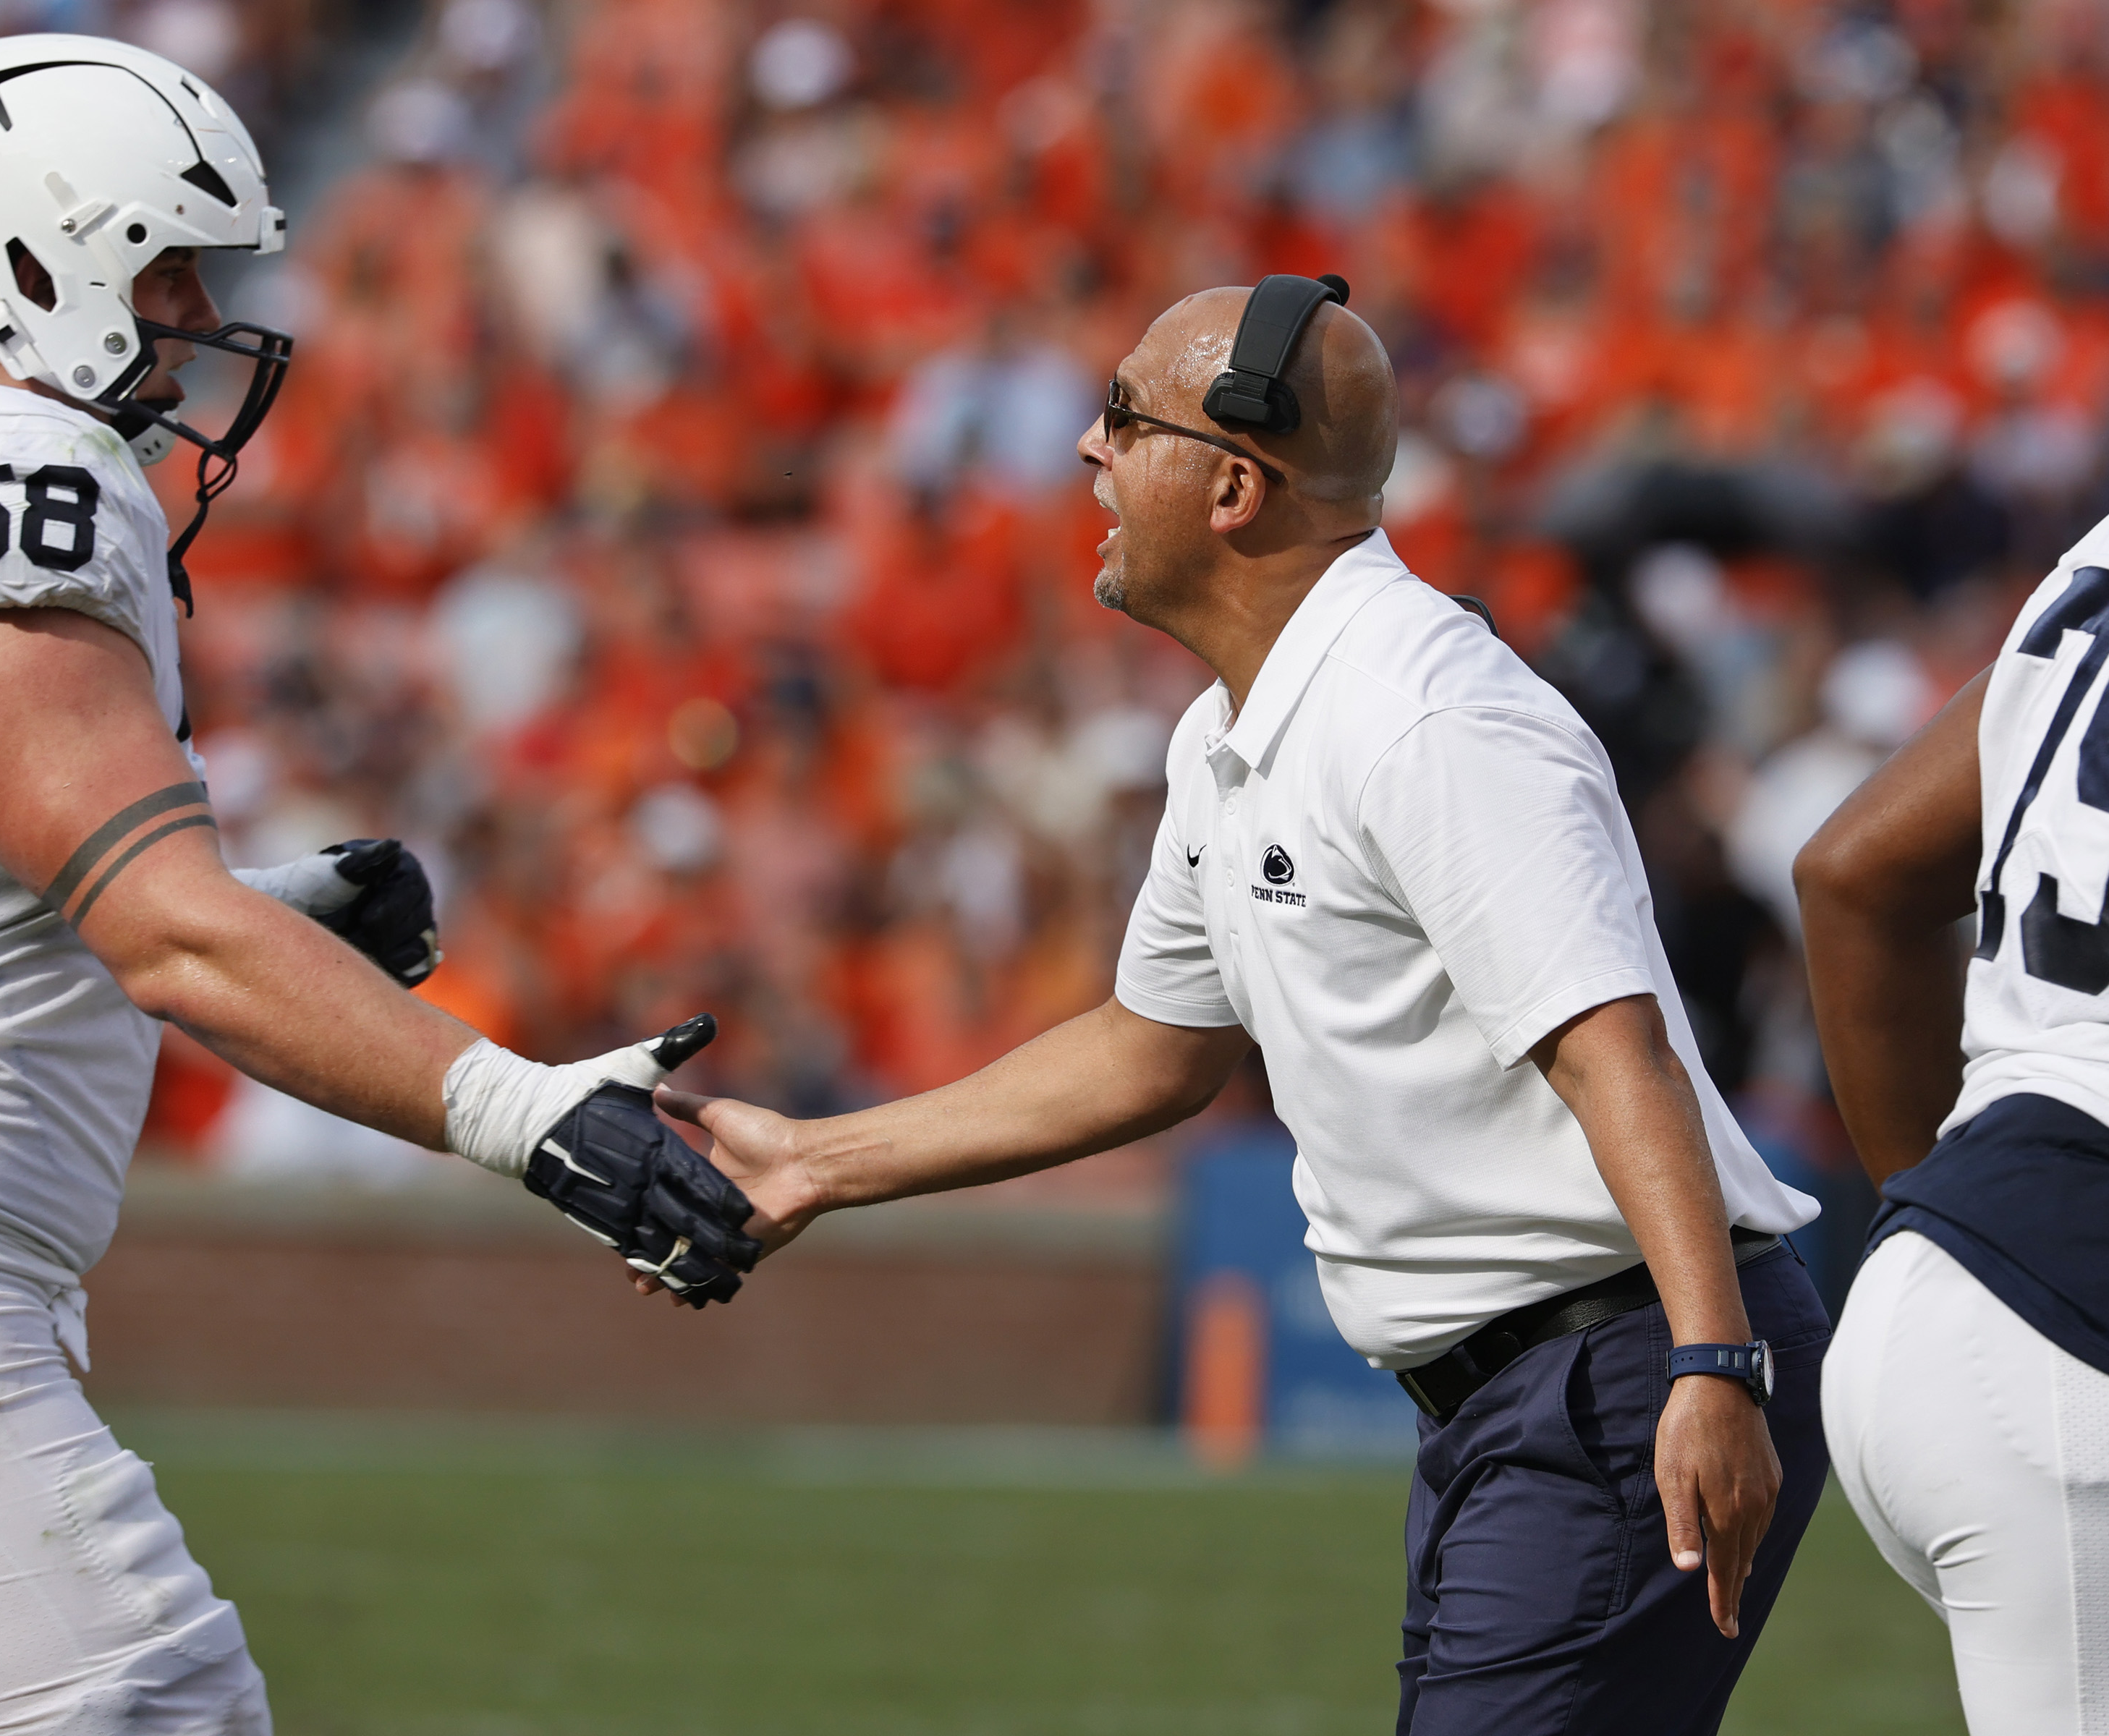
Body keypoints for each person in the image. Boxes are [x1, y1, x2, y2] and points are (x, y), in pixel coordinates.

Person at [0, 35, 744, 1733]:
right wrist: (522, 1111)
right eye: (159, 259)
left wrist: (271, 896)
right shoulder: (20, 478)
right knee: (162, 1707)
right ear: (30, 260)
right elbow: (161, 936)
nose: (200, 306)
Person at [654, 277, 1830, 1734]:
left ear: (1230, 484)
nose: (1088, 453)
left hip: (1619, 1361)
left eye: (1121, 419)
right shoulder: (1235, 726)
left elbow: (1614, 1054)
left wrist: (1712, 1362)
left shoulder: (1423, 714)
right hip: (1534, 1388)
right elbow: (1152, 1050)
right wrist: (820, 1160)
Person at [1799, 550, 2109, 1734]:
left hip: (1962, 1287)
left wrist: (1954, 1226)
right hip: (2066, 1338)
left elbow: (1851, 875)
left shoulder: (2089, 563)